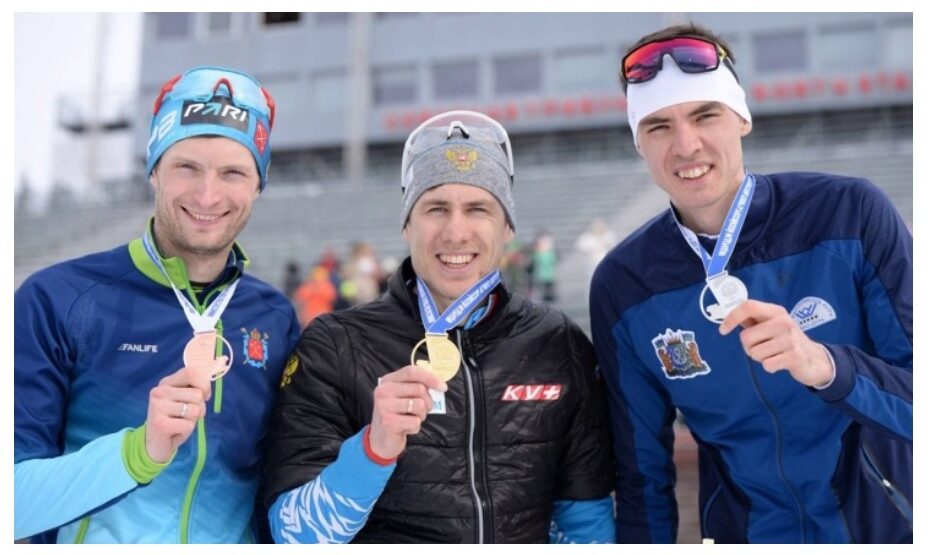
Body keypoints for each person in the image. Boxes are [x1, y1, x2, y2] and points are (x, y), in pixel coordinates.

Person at [590, 24, 912, 544]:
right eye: (658, 126)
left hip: (884, 531)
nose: (686, 145)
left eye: (705, 115)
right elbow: (642, 474)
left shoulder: (849, 214)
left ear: (741, 117)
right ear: (639, 143)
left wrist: (826, 366)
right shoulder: (625, 284)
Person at [262, 110, 615, 543]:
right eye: (436, 208)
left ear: (507, 227)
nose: (455, 232)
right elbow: (293, 537)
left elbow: (585, 523)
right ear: (407, 223)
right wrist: (373, 451)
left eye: (478, 209)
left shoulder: (558, 343)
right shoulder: (334, 345)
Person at [14, 66, 301, 543]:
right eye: (187, 167)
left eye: (232, 172)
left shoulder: (275, 318)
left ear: (258, 184)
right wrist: (137, 453)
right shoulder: (58, 299)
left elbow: (277, 488)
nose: (207, 195)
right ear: (154, 171)